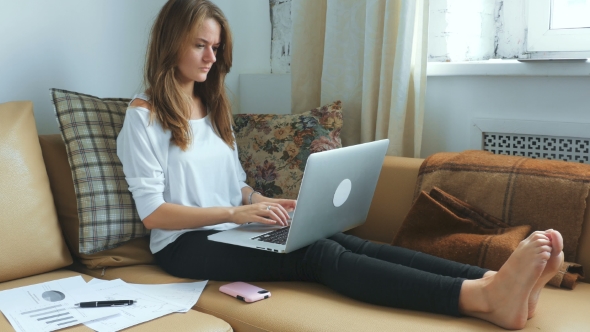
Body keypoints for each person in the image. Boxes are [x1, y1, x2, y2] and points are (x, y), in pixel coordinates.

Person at [116, 0, 564, 329]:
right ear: (170, 42)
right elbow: (154, 213)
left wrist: (265, 201)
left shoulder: (212, 107)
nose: (212, 59)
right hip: (184, 245)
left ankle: (496, 278)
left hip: (230, 227)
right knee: (319, 256)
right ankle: (479, 299)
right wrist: (235, 213)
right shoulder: (143, 118)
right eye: (200, 46)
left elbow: (236, 185)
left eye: (216, 47)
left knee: (346, 240)